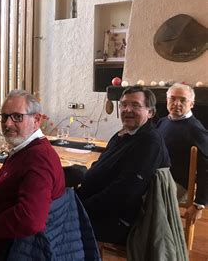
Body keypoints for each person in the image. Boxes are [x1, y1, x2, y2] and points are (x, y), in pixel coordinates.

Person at [0, 90, 65, 260]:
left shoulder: (38, 157)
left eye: (17, 117)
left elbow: (30, 220)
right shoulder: (22, 149)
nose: (7, 124)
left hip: (10, 253)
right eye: (5, 116)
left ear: (36, 120)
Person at [77, 86, 170, 245]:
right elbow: (102, 166)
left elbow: (124, 192)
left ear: (150, 112)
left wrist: (82, 207)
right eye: (123, 105)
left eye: (135, 105)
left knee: (50, 223)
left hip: (119, 220)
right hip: (100, 208)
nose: (127, 110)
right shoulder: (124, 134)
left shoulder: (149, 142)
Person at [156, 83, 207, 224]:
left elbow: (206, 168)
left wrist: (199, 204)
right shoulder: (162, 122)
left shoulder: (196, 130)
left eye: (183, 100)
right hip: (158, 177)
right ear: (167, 101)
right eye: (172, 99)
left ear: (192, 104)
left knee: (143, 196)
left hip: (177, 185)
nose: (176, 103)